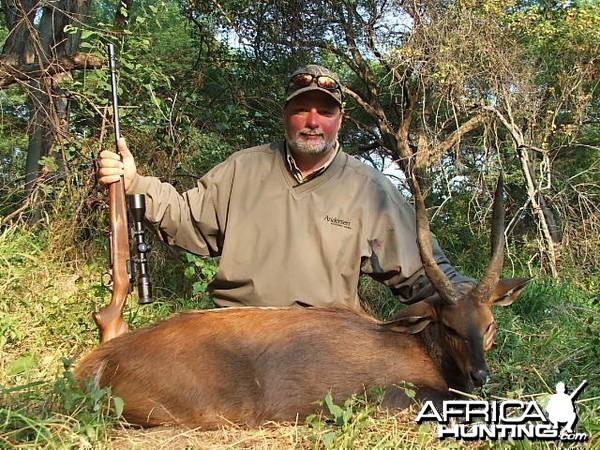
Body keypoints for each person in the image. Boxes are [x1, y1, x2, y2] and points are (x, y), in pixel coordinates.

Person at [97, 64, 473, 309]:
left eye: (324, 112)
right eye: (301, 110)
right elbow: (185, 217)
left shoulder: (370, 188)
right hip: (237, 331)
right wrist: (133, 182)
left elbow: (422, 273)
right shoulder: (244, 169)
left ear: (339, 121)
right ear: (285, 116)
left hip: (324, 340)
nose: (312, 121)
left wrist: (471, 297)